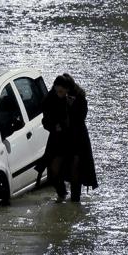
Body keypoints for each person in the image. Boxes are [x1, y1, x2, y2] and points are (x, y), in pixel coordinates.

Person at [40, 73, 98, 202]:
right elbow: (46, 119)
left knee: (75, 172)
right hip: (59, 140)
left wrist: (70, 107)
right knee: (53, 170)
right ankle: (62, 193)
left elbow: (80, 118)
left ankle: (75, 201)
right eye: (56, 90)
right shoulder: (51, 98)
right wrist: (54, 126)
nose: (58, 93)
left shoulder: (78, 98)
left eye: (61, 91)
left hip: (76, 139)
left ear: (67, 89)